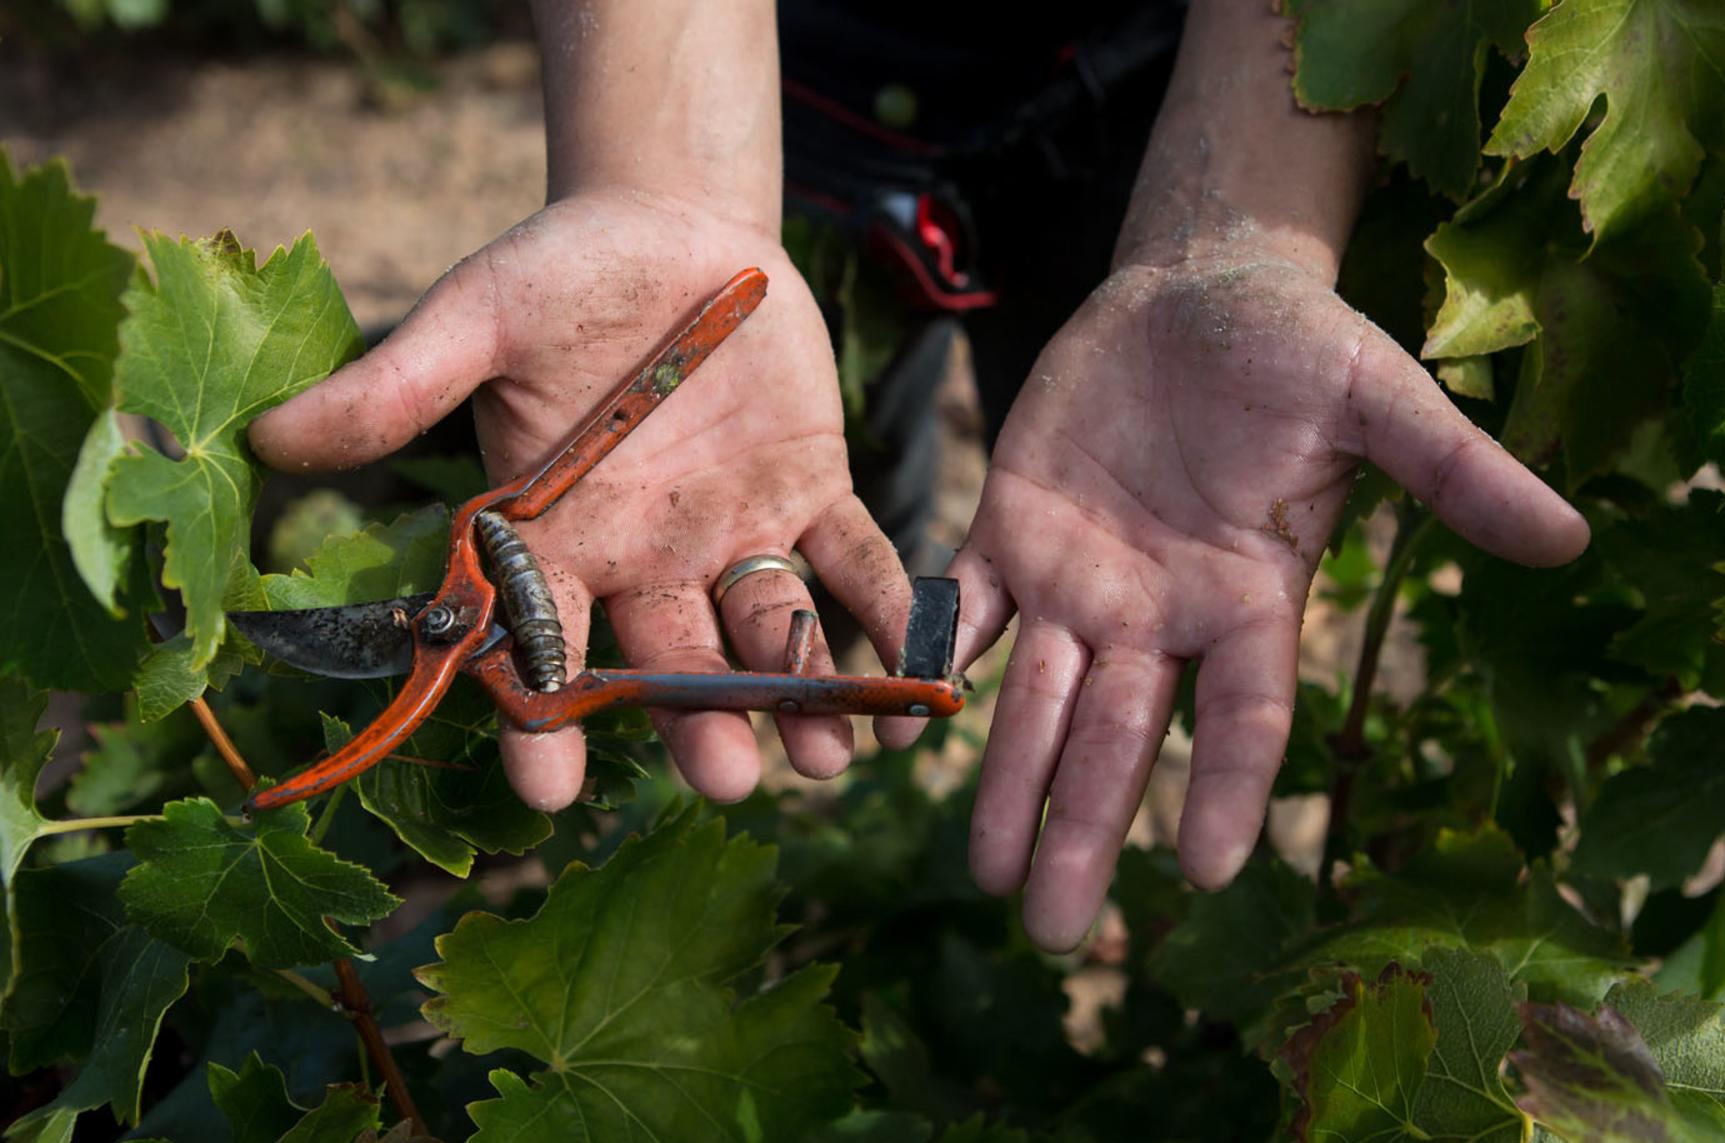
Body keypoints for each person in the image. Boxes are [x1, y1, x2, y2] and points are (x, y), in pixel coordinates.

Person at [248, 0, 1588, 954]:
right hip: (763, 88)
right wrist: (658, 180)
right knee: (806, 511)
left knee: (1077, 509)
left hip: (1163, 91)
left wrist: (1235, 221)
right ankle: (865, 715)